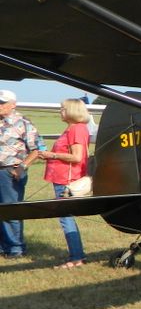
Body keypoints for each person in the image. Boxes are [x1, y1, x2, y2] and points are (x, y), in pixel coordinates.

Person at [37, 98, 91, 267]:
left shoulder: (76, 129)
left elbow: (77, 157)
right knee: (66, 217)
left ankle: (76, 258)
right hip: (61, 178)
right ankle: (77, 255)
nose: (60, 111)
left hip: (67, 180)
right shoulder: (73, 128)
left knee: (65, 218)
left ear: (72, 111)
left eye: (63, 109)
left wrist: (52, 155)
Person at [0, 89, 42, 258]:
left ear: (13, 105)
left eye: (2, 103)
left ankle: (16, 248)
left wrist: (22, 167)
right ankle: (3, 246)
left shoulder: (23, 123)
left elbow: (36, 149)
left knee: (11, 210)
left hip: (10, 171)